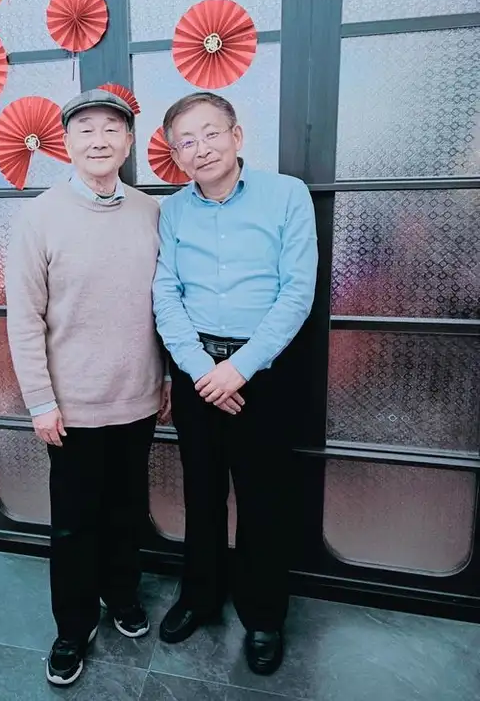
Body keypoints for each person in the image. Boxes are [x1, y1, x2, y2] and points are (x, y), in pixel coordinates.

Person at [6, 88, 171, 687]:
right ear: (66, 142)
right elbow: (24, 317)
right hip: (71, 406)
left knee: (127, 509)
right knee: (74, 524)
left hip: (138, 397)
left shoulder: (151, 211)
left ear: (128, 142)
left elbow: (166, 302)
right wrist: (40, 401)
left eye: (111, 129)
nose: (98, 140)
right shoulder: (40, 216)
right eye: (85, 130)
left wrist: (164, 377)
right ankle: (73, 627)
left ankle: (121, 595)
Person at [153, 91, 318, 676]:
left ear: (237, 135)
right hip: (196, 370)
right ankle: (199, 596)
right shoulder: (172, 211)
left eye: (210, 133)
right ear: (176, 155)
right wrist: (202, 370)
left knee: (263, 498)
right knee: (200, 493)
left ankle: (264, 615)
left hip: (264, 373)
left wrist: (240, 368)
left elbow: (297, 293)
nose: (200, 149)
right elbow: (165, 294)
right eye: (186, 142)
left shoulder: (288, 195)